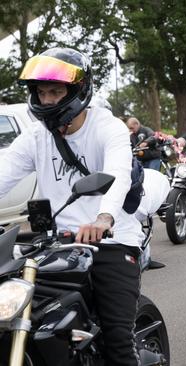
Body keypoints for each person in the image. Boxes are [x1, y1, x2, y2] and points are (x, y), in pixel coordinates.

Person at [4, 47, 144, 364]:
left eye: (56, 91)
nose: (48, 100)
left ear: (78, 90)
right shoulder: (35, 137)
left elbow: (117, 175)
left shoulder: (108, 128)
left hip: (111, 240)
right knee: (18, 318)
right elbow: (3, 175)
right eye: (41, 92)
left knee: (118, 342)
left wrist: (104, 218)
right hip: (57, 245)